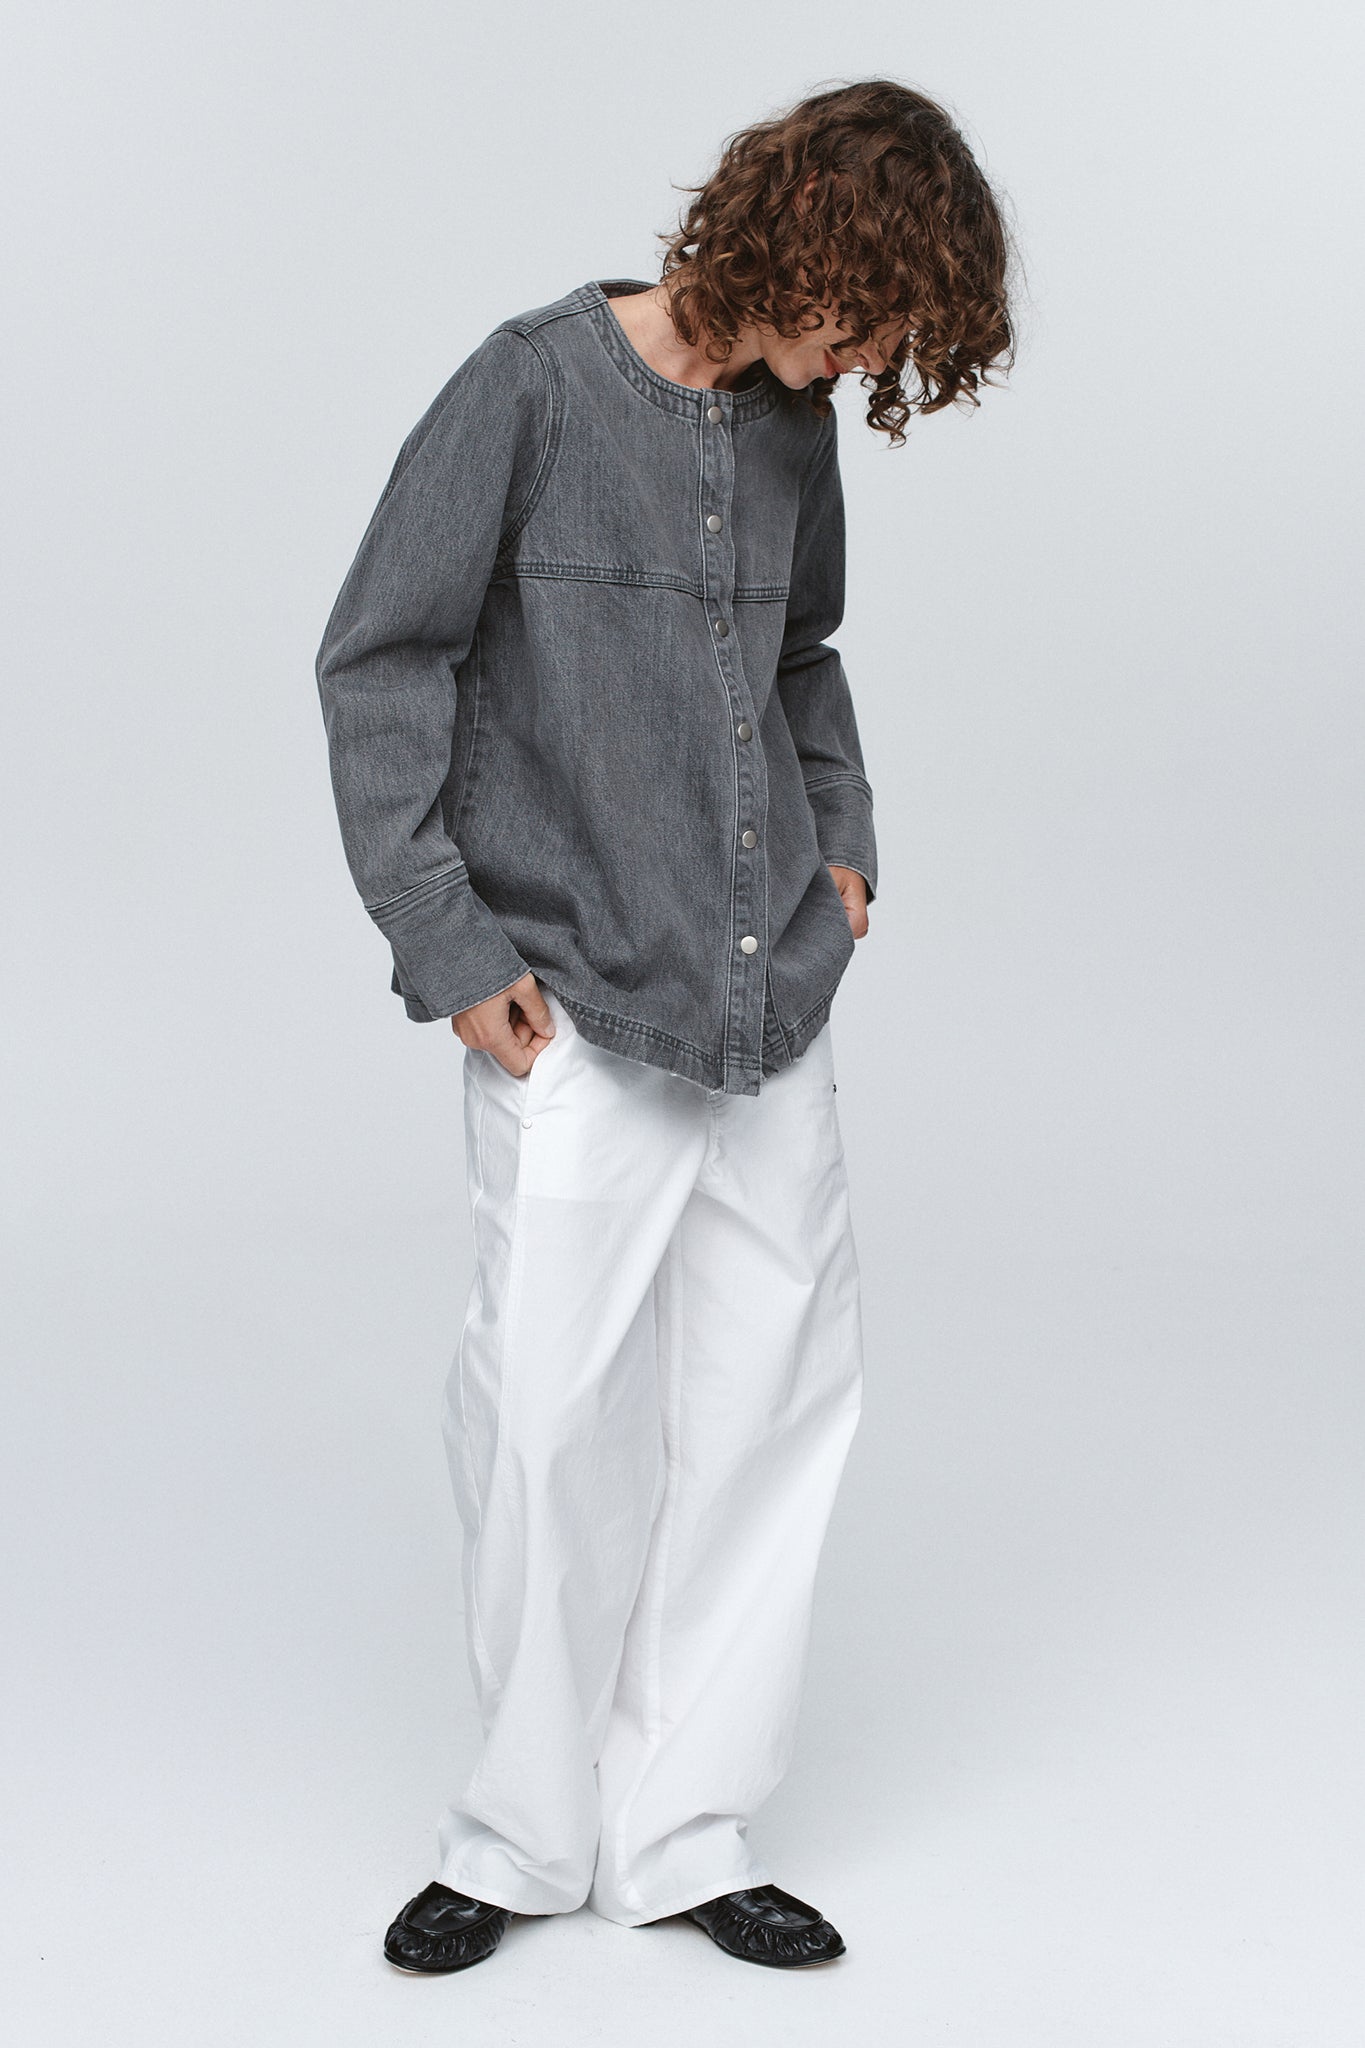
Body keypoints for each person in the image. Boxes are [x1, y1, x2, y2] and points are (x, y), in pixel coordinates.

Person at [314, 75, 1013, 1974]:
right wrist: (444, 936)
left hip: (769, 981)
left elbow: (802, 654)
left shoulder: (794, 430)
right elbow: (381, 660)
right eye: (868, 317)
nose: (867, 363)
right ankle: (518, 1839)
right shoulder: (529, 387)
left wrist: (844, 841)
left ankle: (687, 1832)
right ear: (804, 243)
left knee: (770, 1402)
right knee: (547, 1414)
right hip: (570, 994)